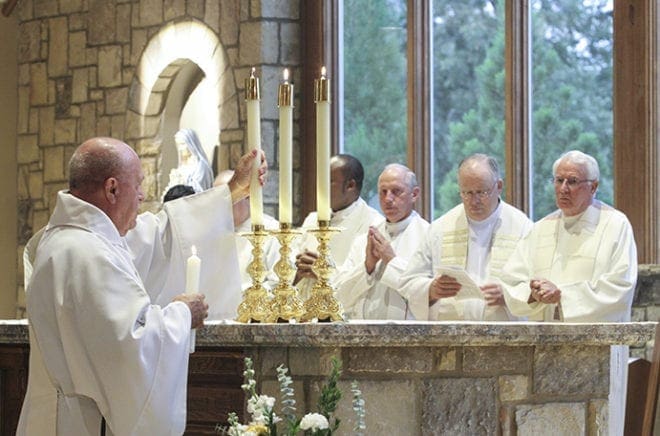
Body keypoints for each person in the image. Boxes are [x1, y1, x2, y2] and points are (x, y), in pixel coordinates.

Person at [18, 137, 265, 435]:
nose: (142, 195)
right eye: (137, 184)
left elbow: (162, 237)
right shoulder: (87, 253)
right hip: (81, 423)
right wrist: (182, 314)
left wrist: (231, 192)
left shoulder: (72, 239)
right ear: (112, 189)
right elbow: (129, 345)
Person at [499, 150, 637, 435]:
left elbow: (620, 286)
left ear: (594, 186)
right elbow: (512, 280)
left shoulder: (615, 225)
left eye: (573, 181)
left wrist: (563, 297)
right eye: (558, 180)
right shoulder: (540, 229)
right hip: (544, 350)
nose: (563, 189)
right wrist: (533, 294)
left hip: (598, 353)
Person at [400, 153, 532, 321]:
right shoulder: (440, 228)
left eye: (481, 192)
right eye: (466, 193)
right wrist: (431, 289)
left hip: (505, 338)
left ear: (499, 186)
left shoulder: (522, 227)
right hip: (451, 338)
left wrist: (509, 296)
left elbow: (538, 284)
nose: (473, 201)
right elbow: (408, 281)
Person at [335, 164, 429, 319]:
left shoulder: (429, 237)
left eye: (396, 191)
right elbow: (340, 298)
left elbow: (428, 295)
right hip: (362, 337)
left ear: (414, 194)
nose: (388, 199)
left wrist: (392, 261)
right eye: (383, 192)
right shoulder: (364, 240)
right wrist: (368, 266)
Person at [295, 154, 384, 299]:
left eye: (329, 181)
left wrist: (324, 272)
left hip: (344, 313)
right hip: (305, 310)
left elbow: (362, 279)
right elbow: (292, 269)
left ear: (350, 185)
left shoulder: (373, 224)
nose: (320, 188)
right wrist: (297, 269)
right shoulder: (312, 220)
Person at [214, 169, 280, 291]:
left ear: (247, 196)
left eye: (228, 198)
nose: (221, 205)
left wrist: (235, 293)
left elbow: (277, 282)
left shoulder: (272, 230)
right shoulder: (212, 232)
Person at [164, 128, 214, 195]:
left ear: (191, 143)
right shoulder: (182, 165)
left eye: (182, 144)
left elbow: (198, 189)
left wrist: (180, 182)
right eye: (178, 145)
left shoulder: (200, 166)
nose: (180, 149)